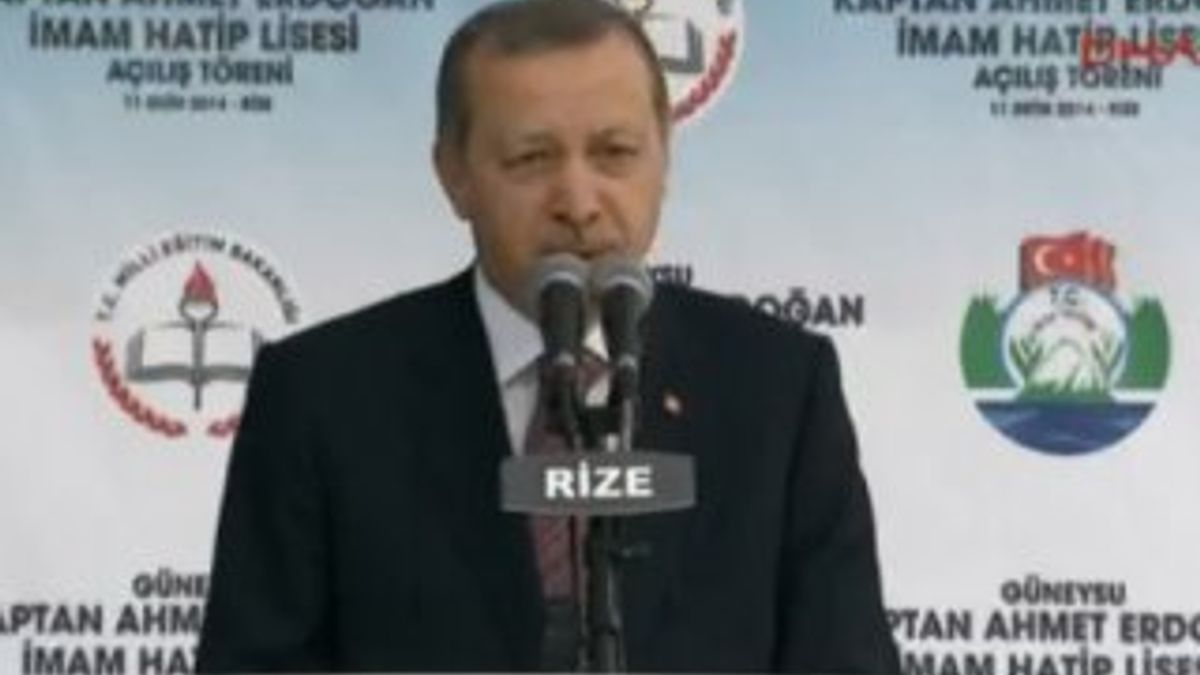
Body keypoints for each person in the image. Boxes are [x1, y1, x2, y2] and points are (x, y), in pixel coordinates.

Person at [195, 0, 901, 672]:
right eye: (532, 159)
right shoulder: (323, 397)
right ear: (453, 175)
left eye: (615, 152)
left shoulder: (776, 387)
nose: (579, 203)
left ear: (665, 158)